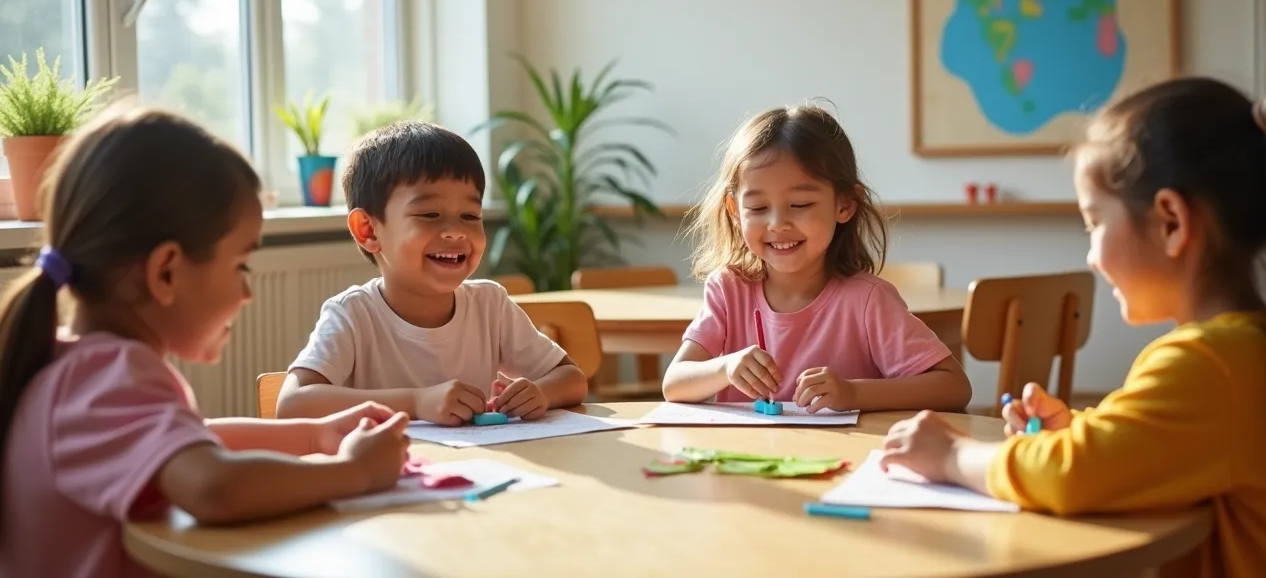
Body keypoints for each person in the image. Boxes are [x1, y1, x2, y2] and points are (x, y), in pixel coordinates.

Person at [879, 78, 1266, 575]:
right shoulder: (1257, 344)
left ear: (1171, 222)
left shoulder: (1209, 364)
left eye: (1094, 223)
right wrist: (1080, 429)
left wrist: (953, 454)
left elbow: (1073, 475)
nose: (1091, 254)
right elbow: (1166, 446)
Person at [0, 106, 410, 577]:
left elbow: (193, 438)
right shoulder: (109, 376)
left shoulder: (74, 367)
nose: (247, 293)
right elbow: (213, 487)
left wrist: (315, 434)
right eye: (240, 267)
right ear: (166, 272)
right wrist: (354, 473)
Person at [662, 104, 971, 412]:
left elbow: (954, 387)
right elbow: (674, 384)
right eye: (757, 208)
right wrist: (724, 368)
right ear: (734, 211)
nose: (777, 224)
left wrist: (853, 394)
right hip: (748, 457)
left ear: (845, 204)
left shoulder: (867, 301)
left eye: (800, 204)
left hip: (844, 459)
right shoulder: (728, 289)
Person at [276, 121, 588, 426]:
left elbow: (571, 379)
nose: (455, 232)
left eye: (470, 215)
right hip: (391, 473)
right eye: (430, 214)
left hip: (478, 469)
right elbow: (292, 404)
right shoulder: (353, 315)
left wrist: (541, 393)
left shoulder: (490, 305)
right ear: (368, 230)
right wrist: (416, 403)